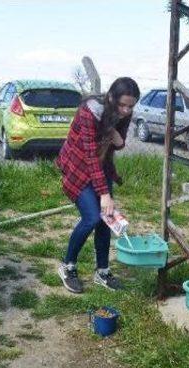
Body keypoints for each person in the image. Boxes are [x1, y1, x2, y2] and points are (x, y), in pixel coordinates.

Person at [56, 77, 140, 294]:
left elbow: (117, 145)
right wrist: (104, 194)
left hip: (100, 168)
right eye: (122, 105)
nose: (126, 110)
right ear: (111, 97)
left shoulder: (123, 113)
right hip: (77, 165)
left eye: (131, 106)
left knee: (106, 220)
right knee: (92, 217)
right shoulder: (89, 111)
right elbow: (90, 154)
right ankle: (68, 266)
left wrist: (113, 133)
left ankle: (102, 272)